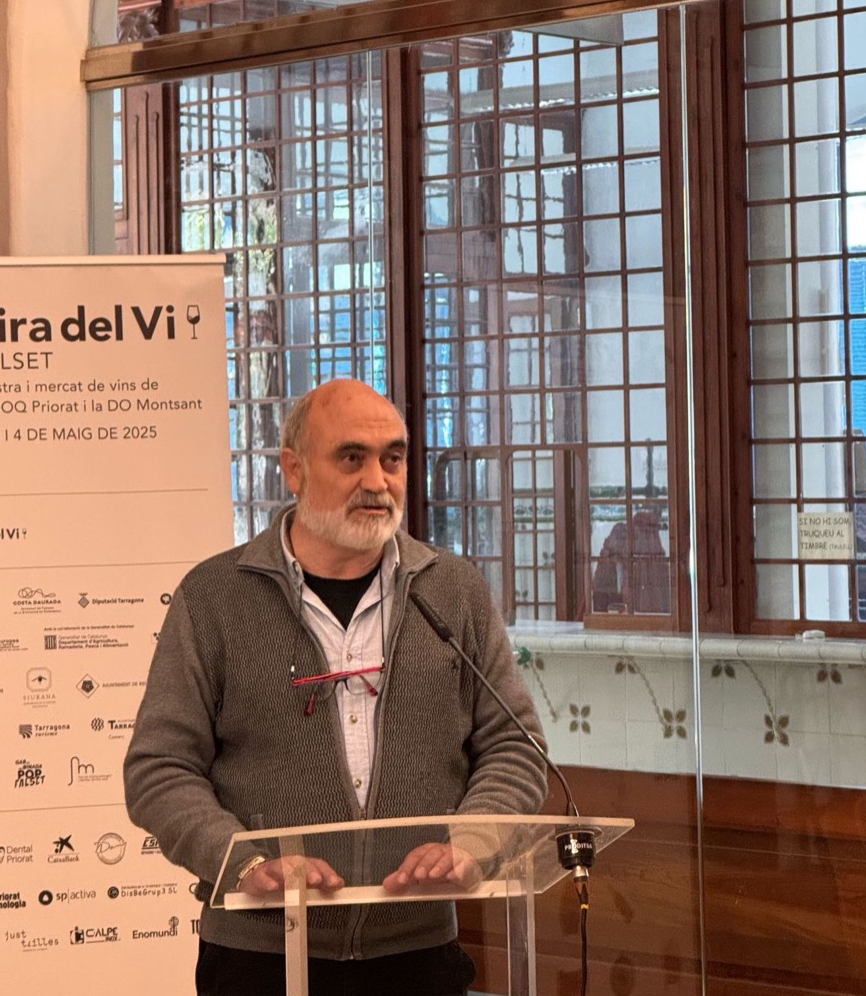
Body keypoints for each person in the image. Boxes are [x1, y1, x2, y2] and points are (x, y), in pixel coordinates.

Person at [124, 378, 548, 996]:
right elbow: (160, 769)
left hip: (418, 954)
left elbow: (515, 748)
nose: (378, 481)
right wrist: (243, 862)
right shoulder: (213, 597)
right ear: (293, 469)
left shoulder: (452, 592)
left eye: (393, 459)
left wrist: (474, 841)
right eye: (352, 458)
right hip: (260, 958)